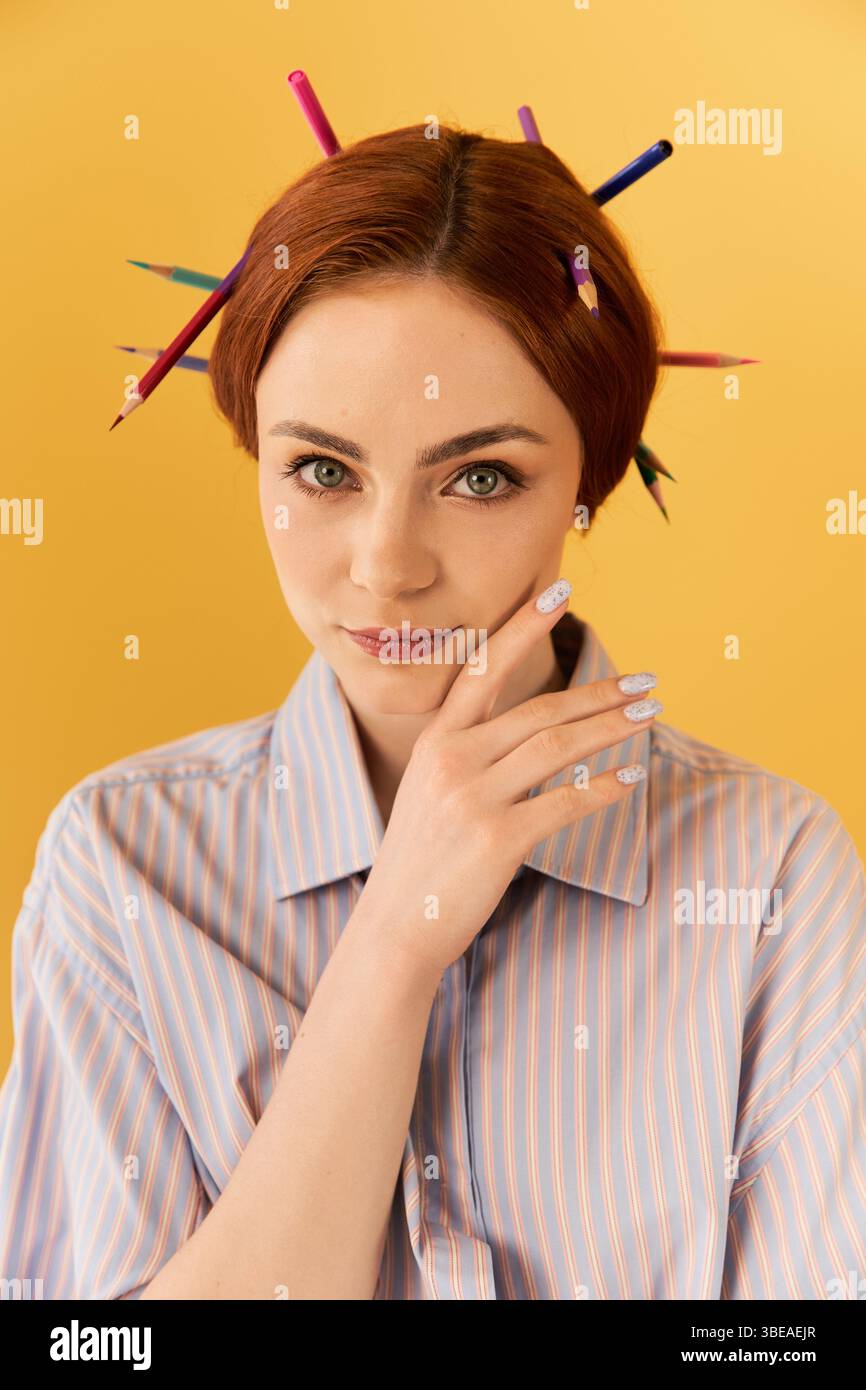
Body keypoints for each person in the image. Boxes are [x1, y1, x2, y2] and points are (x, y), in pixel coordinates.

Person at [1, 126, 864, 1301]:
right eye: (321, 469)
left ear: (590, 481)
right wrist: (394, 946)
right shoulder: (120, 866)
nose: (385, 565)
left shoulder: (769, 872)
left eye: (479, 477)